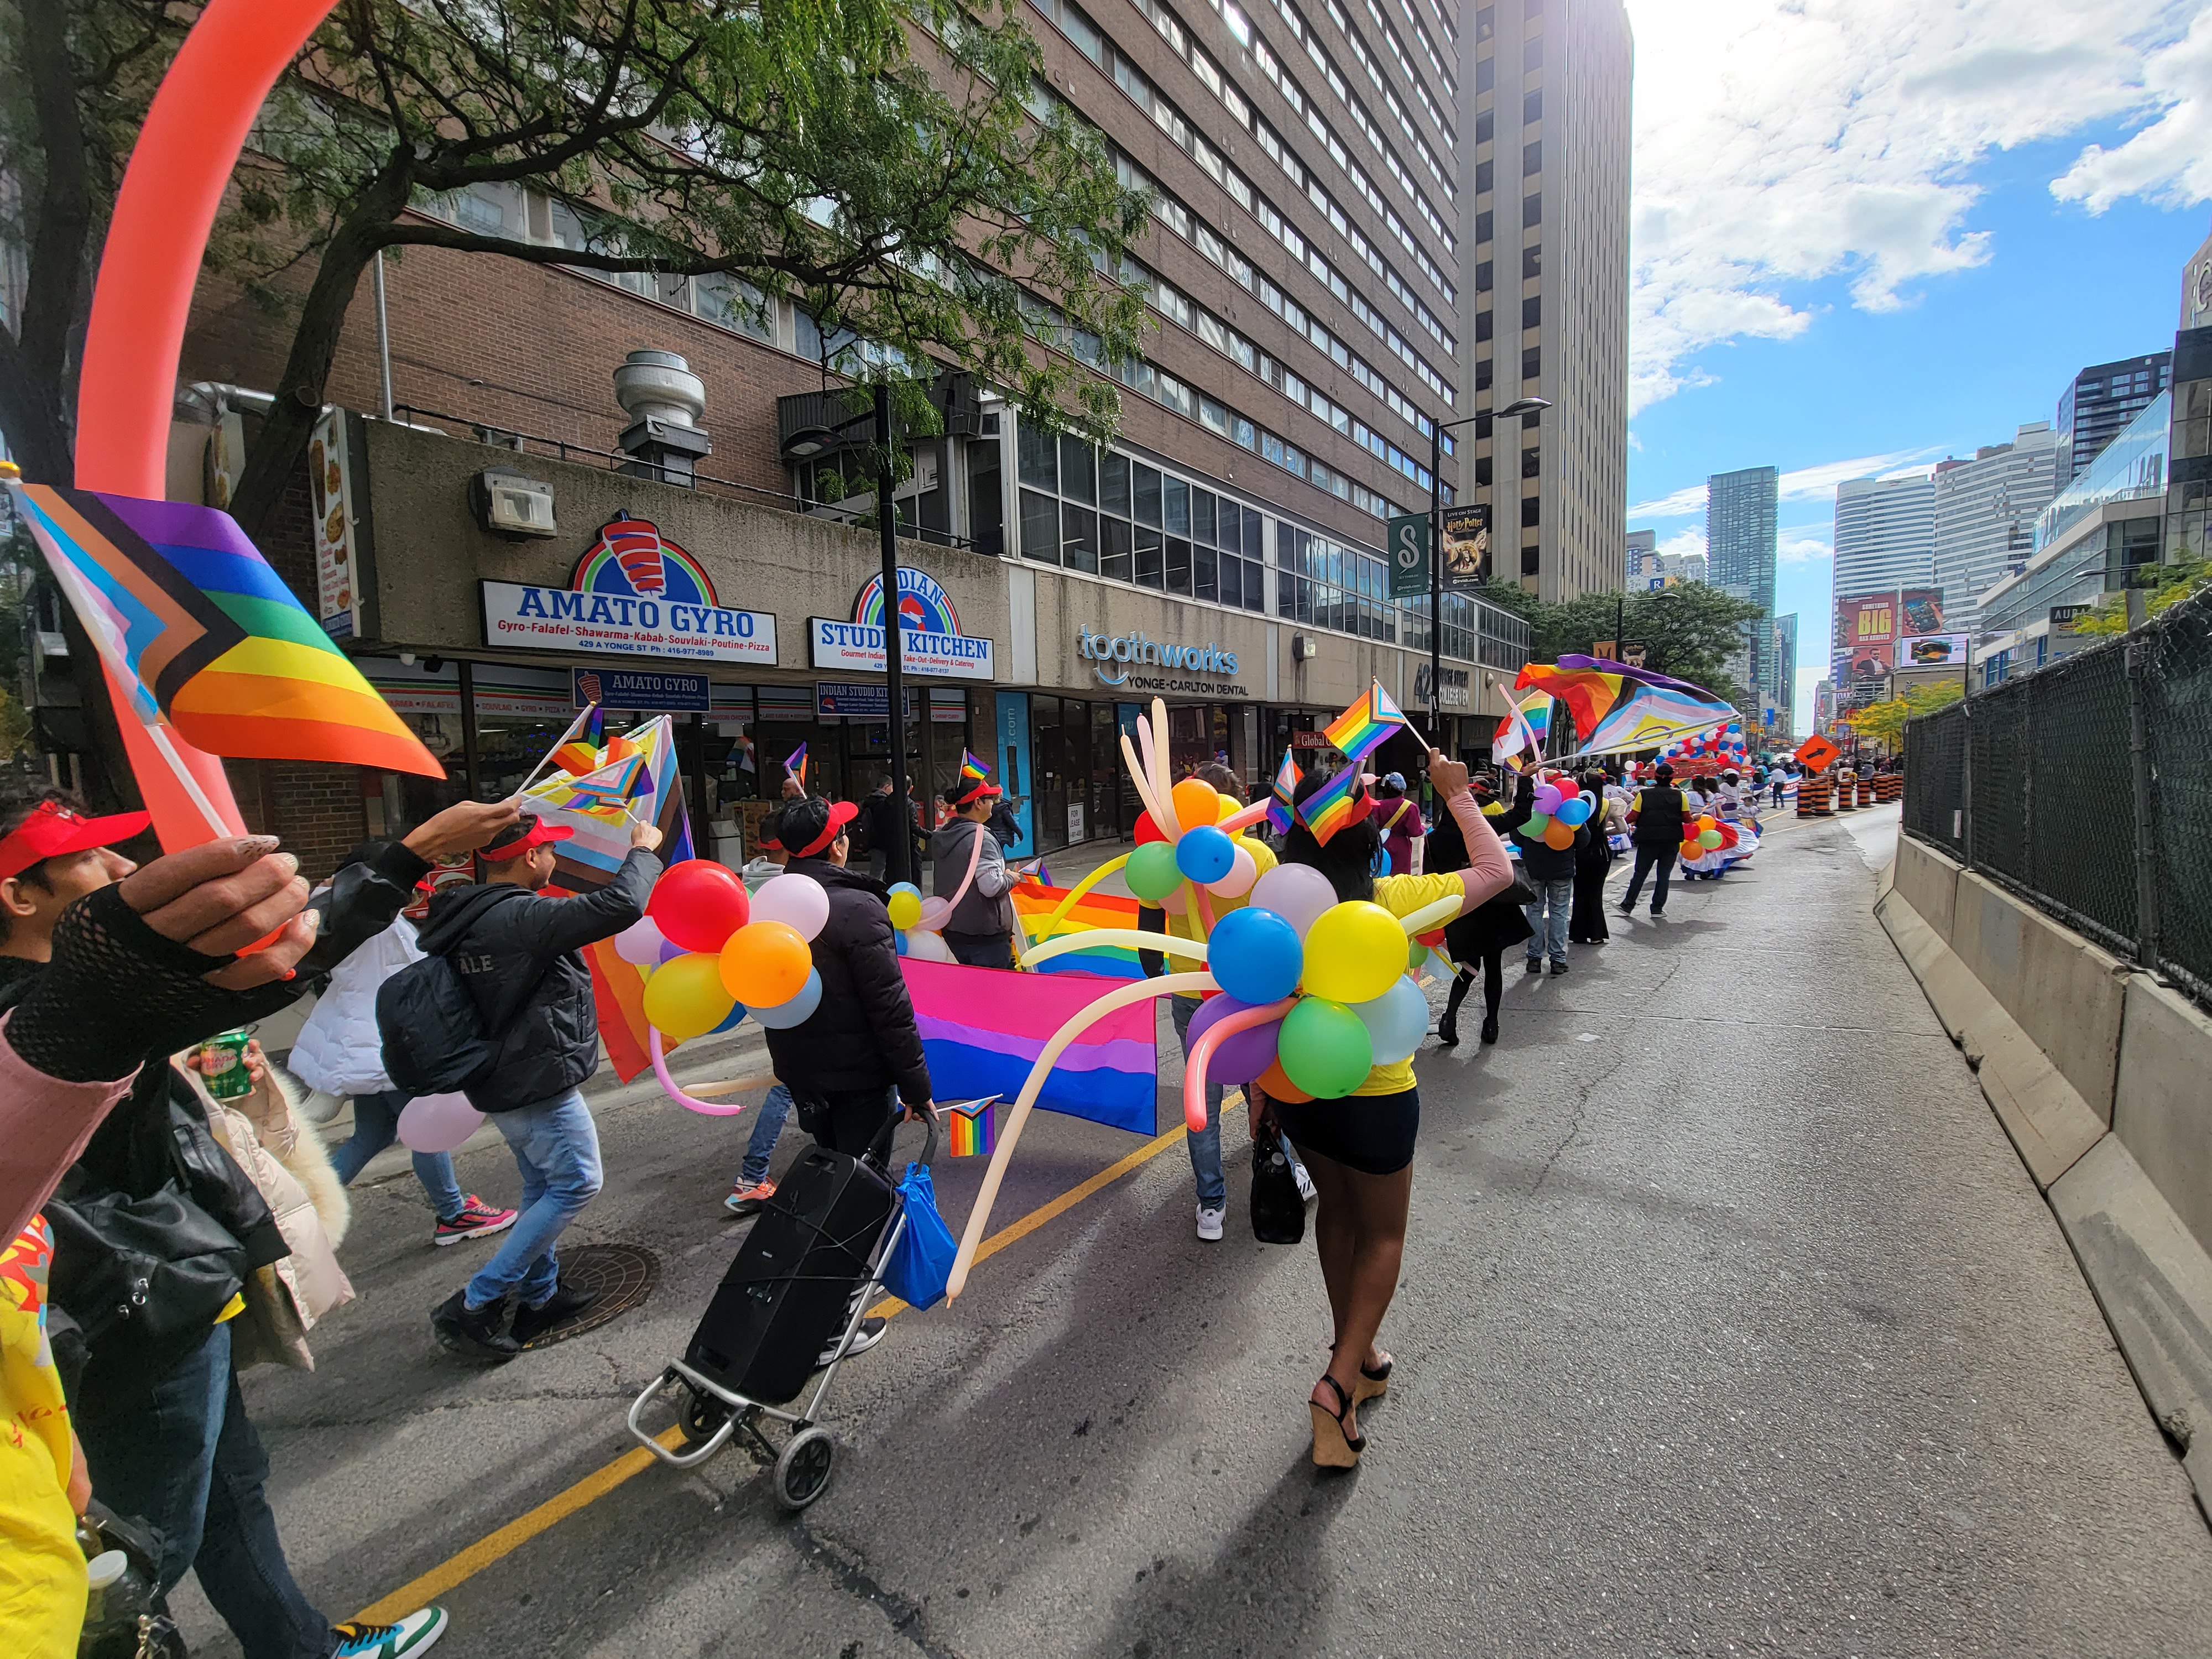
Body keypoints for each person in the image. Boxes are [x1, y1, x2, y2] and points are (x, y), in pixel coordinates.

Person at [0, 792, 498, 1659]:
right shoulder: (43, 1022)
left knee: (233, 1492)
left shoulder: (84, 1006)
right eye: (91, 858)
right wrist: (408, 854)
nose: (124, 869)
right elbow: (272, 959)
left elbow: (266, 962)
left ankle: (300, 1646)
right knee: (137, 1558)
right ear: (21, 894)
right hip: (125, 1314)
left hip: (182, 1290)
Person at [1261, 750, 1511, 1465]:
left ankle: (1360, 1354)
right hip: (1376, 1098)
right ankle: (1336, 1388)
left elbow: (1250, 994)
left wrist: (1259, 1096)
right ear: (1366, 838)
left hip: (1299, 1092)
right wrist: (1457, 796)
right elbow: (1496, 872)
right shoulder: (1391, 901)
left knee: (1338, 1217)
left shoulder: (1273, 901)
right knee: (1382, 1237)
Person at [421, 811, 662, 1362]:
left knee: (540, 1187)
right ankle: (477, 1302)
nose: (554, 859)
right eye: (549, 850)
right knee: (578, 1182)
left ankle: (541, 1294)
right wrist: (643, 852)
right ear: (529, 858)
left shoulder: (469, 913)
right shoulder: (519, 915)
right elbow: (620, 907)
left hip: (502, 1075)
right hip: (533, 1077)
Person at [757, 795, 933, 1361]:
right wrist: (918, 1087)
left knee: (830, 1184)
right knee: (856, 1200)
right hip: (859, 1079)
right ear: (836, 845)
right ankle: (829, 1324)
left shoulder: (769, 903)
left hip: (805, 1076)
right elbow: (890, 1009)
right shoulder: (856, 907)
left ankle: (826, 1295)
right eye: (843, 832)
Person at [289, 903, 517, 1248]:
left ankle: (305, 1217)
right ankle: (454, 1215)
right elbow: (417, 967)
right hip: (390, 1040)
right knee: (428, 1128)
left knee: (373, 1134)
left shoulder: (337, 917)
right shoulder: (380, 924)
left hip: (358, 1040)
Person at [1144, 763, 1303, 1241]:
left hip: (1193, 995)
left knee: (1203, 1103)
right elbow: (1286, 928)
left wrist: (1163, 973)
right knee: (1265, 1086)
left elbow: (1148, 946)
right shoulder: (1257, 856)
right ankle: (1286, 1168)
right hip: (1253, 996)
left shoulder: (1165, 861)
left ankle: (1211, 1205)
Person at [1427, 781, 1531, 1047]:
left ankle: (1449, 1019)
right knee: (1494, 966)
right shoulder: (1479, 831)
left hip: (1459, 907)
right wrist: (1526, 779)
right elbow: (1521, 815)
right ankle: (1491, 1024)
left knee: (1469, 967)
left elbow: (1429, 880)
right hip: (1492, 905)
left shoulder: (1433, 839)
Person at [727, 820, 796, 1215]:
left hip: (768, 996)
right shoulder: (785, 889)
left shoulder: (747, 880)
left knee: (799, 1078)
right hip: (791, 995)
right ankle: (751, 1178)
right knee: (788, 1083)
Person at [925, 773, 1019, 969]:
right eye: (990, 799)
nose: (993, 803)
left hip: (954, 933)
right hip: (986, 939)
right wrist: (1010, 878)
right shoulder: (983, 838)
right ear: (978, 802)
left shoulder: (944, 835)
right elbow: (991, 887)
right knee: (995, 995)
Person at [1509, 774, 1585, 975]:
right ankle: (1558, 959)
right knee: (1558, 914)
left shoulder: (1532, 812)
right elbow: (1583, 840)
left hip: (1533, 869)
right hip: (1562, 871)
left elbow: (1517, 837)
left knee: (1534, 913)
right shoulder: (1569, 811)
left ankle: (1534, 958)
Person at [1620, 763, 1689, 917]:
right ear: (1672, 778)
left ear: (1655, 777)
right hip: (1671, 840)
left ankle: (1628, 905)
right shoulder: (1681, 795)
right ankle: (1657, 909)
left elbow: (1633, 816)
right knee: (1664, 876)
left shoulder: (1644, 794)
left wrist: (1619, 822)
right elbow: (1687, 818)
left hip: (1647, 839)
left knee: (1640, 874)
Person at [1567, 769, 1615, 946]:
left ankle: (1578, 934)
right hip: (1601, 851)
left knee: (1579, 892)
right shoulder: (1607, 804)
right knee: (1595, 893)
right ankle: (1596, 934)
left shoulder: (1572, 803)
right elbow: (1622, 828)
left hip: (1578, 851)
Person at [1373, 773, 1425, 876]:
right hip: (1402, 848)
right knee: (1401, 880)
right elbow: (1415, 832)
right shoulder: (1411, 807)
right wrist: (1422, 827)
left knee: (1382, 877)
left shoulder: (1377, 806)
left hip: (1383, 845)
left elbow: (1373, 827)